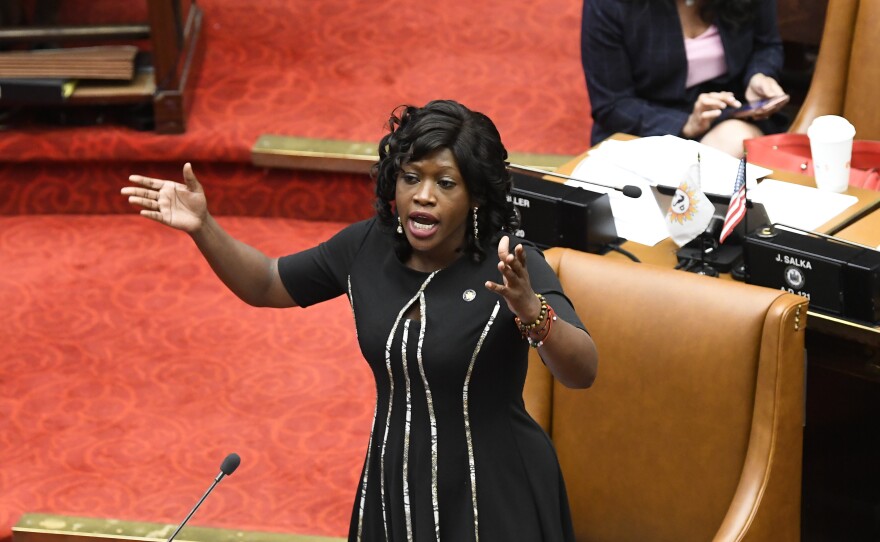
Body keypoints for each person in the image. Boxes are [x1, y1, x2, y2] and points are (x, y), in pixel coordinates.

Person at [121, 99, 598, 541]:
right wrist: (205, 228)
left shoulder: (510, 263)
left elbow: (582, 371)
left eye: (445, 183)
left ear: (475, 196)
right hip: (393, 486)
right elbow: (267, 283)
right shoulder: (368, 247)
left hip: (492, 491)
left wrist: (532, 312)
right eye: (411, 177)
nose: (423, 196)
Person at [581, 0, 788, 157]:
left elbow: (766, 45)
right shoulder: (610, 5)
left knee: (735, 142)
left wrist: (759, 75)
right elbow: (612, 104)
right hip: (645, 125)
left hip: (730, 111)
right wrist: (685, 123)